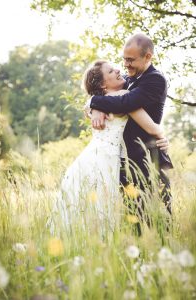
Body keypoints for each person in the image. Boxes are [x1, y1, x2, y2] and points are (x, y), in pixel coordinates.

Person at [56, 60, 168, 233]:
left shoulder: (102, 101)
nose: (118, 70)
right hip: (106, 161)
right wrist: (163, 136)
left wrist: (93, 103)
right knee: (102, 211)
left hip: (88, 160)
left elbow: (93, 101)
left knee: (86, 209)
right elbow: (151, 127)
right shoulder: (124, 96)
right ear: (102, 83)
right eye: (110, 71)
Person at [86, 33, 173, 215]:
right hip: (126, 164)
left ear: (147, 56)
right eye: (124, 59)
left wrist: (94, 101)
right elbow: (109, 94)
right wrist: (94, 107)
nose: (125, 65)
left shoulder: (155, 80)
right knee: (133, 219)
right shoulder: (129, 79)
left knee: (159, 218)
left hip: (150, 159)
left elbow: (125, 103)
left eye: (131, 60)